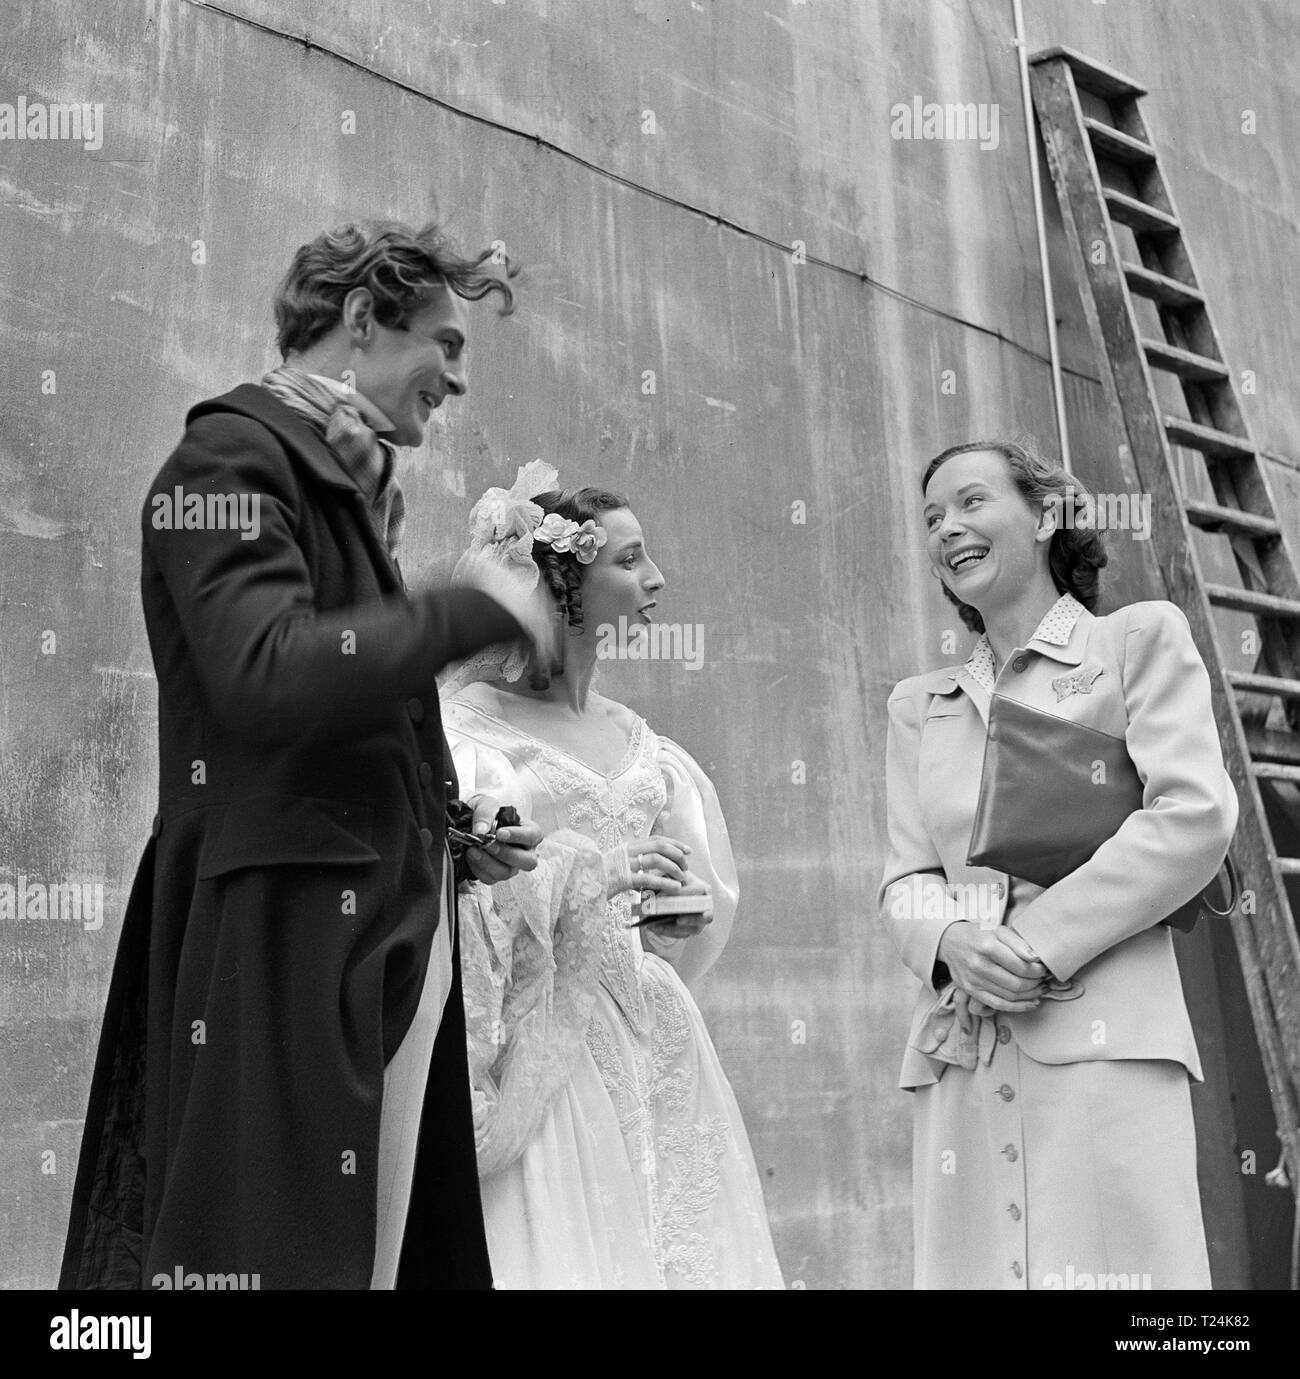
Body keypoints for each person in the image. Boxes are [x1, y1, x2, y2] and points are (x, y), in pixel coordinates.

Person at [59, 219, 557, 1291]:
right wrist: (464, 610)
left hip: (373, 928)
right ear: (364, 318)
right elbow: (265, 673)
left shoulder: (343, 484)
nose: (458, 380)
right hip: (281, 927)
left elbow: (327, 725)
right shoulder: (227, 455)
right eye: (446, 342)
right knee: (275, 1255)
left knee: (363, 1253)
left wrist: (451, 831)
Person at [879, 438, 1238, 1291]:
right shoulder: (916, 707)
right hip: (964, 1054)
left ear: (1045, 516)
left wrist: (1033, 943)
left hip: (1106, 1048)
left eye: (970, 502)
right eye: (932, 517)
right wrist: (953, 942)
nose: (947, 528)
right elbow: (906, 879)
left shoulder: (1136, 640)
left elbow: (1194, 816)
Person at [437, 464, 784, 1289]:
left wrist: (674, 920)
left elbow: (700, 900)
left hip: (655, 1032)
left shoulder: (641, 740)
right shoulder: (469, 734)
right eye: (630, 560)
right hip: (555, 1037)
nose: (656, 578)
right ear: (565, 585)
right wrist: (594, 874)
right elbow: (460, 895)